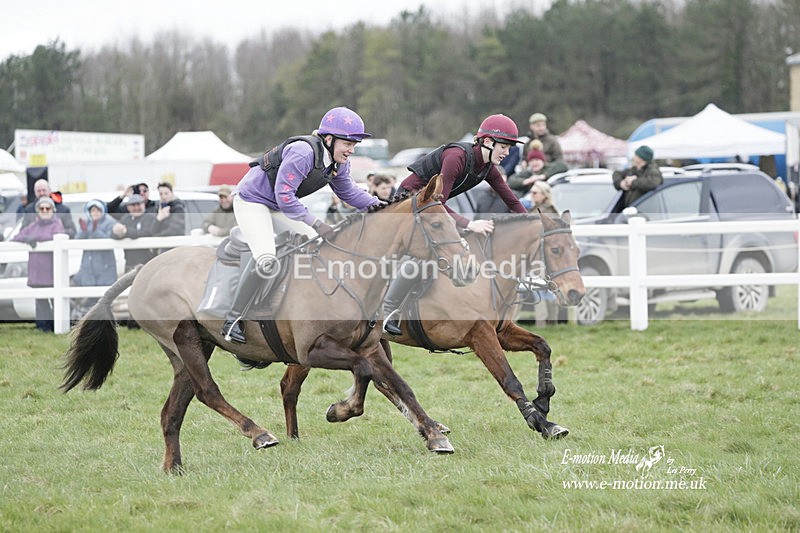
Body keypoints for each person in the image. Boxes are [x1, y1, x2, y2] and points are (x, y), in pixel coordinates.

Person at [222, 106, 381, 343]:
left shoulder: (339, 162)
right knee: (266, 258)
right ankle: (232, 318)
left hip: (278, 205)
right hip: (253, 202)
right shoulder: (303, 152)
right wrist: (317, 224)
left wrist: (384, 206)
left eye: (354, 144)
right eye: (348, 143)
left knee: (319, 247)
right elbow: (285, 197)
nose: (351, 149)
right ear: (329, 139)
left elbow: (350, 194)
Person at [382, 113, 528, 335]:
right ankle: (387, 310)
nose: (507, 153)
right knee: (427, 252)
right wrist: (469, 224)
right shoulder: (456, 156)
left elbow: (512, 200)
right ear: (488, 142)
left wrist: (535, 224)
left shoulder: (487, 168)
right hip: (408, 201)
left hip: (430, 206)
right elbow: (437, 202)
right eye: (504, 146)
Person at [13, 196, 66, 332]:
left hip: (51, 271)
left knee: (55, 301)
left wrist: (36, 238)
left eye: (47, 208)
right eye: (41, 208)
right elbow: (17, 237)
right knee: (41, 302)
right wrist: (27, 238)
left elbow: (57, 236)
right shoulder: (33, 225)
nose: (44, 210)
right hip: (36, 272)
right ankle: (44, 328)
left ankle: (57, 326)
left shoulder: (56, 223)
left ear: (52, 210)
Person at [72, 199, 117, 312]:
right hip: (89, 268)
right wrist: (83, 231)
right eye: (93, 210)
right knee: (90, 301)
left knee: (104, 299)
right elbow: (77, 240)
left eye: (98, 210)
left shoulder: (110, 222)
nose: (95, 213)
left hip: (105, 267)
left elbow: (108, 240)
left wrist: (95, 230)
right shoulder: (86, 223)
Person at [111, 194, 156, 272]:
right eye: (133, 205)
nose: (136, 208)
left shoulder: (150, 217)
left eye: (138, 204)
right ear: (128, 207)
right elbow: (115, 235)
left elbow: (146, 233)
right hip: (130, 263)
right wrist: (117, 232)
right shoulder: (125, 218)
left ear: (143, 204)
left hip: (147, 263)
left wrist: (126, 231)